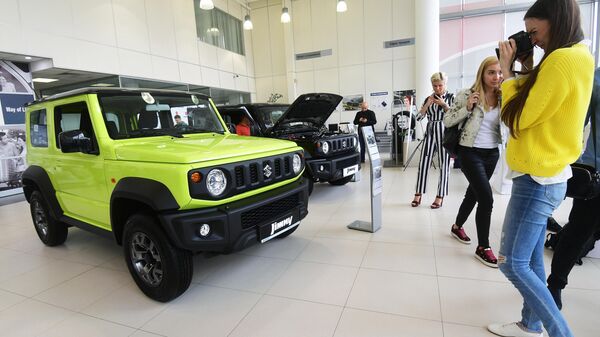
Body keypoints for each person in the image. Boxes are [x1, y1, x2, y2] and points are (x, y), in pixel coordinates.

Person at [489, 0, 594, 336]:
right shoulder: (577, 56)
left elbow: (517, 117)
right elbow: (538, 105)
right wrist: (529, 65)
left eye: (535, 32)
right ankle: (529, 323)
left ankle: (560, 332)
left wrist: (507, 72)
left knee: (512, 263)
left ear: (556, 20)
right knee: (533, 260)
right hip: (547, 173)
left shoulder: (562, 60)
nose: (532, 39)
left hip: (537, 177)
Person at [546, 67, 600, 311]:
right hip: (596, 173)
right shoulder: (597, 78)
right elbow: (577, 121)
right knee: (578, 230)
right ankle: (555, 285)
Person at [443, 57, 503, 267]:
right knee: (486, 198)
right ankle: (483, 247)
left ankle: (457, 226)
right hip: (470, 152)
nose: (497, 77)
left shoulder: (504, 96)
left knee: (473, 193)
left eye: (499, 72)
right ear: (482, 74)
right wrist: (467, 108)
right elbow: (448, 120)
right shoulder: (467, 94)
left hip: (492, 152)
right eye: (491, 73)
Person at [411, 72, 454, 209]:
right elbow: (418, 118)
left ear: (445, 84)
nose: (437, 88)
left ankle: (440, 196)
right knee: (423, 162)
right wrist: (427, 105)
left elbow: (455, 116)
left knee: (444, 164)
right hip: (430, 131)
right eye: (435, 86)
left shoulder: (451, 97)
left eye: (440, 85)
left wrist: (444, 105)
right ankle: (418, 194)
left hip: (445, 132)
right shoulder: (428, 98)